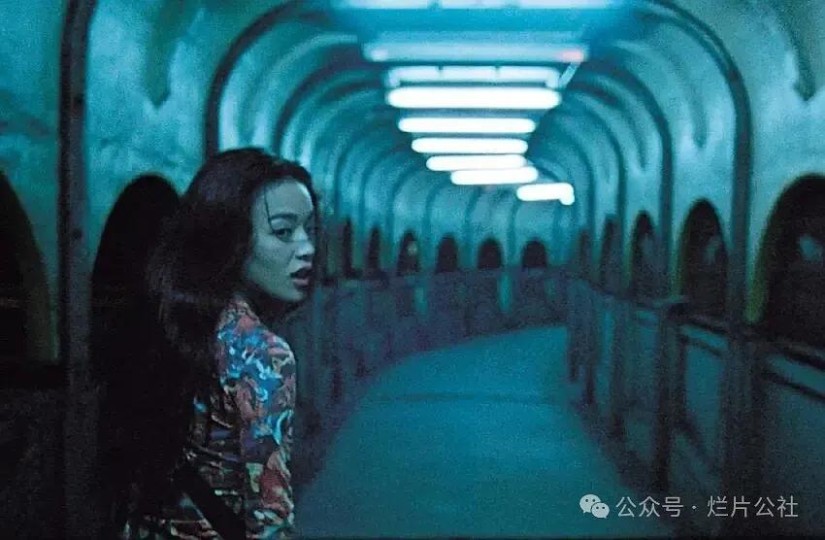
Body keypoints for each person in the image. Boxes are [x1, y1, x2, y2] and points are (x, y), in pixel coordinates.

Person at [100, 148, 318, 539]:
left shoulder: (170, 326)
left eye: (309, 229)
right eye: (283, 231)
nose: (306, 248)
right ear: (230, 238)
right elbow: (269, 518)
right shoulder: (263, 355)